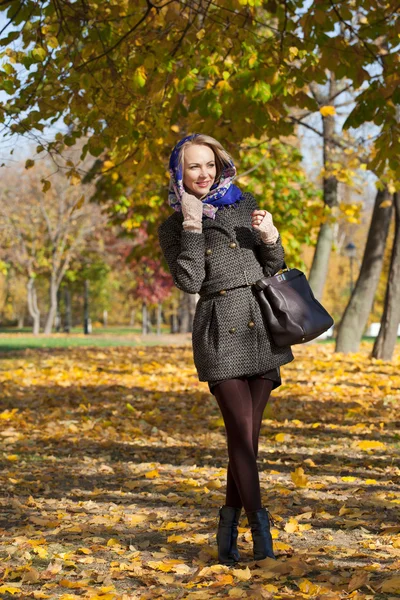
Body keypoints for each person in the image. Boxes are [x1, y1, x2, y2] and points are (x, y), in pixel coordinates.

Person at [158, 133, 294, 565]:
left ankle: (226, 527)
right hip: (218, 330)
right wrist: (193, 226)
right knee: (239, 431)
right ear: (179, 172)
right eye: (194, 166)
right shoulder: (172, 225)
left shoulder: (243, 202)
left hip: (260, 328)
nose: (203, 174)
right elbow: (190, 281)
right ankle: (261, 530)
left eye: (210, 165)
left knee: (246, 440)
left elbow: (274, 268)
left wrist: (271, 237)